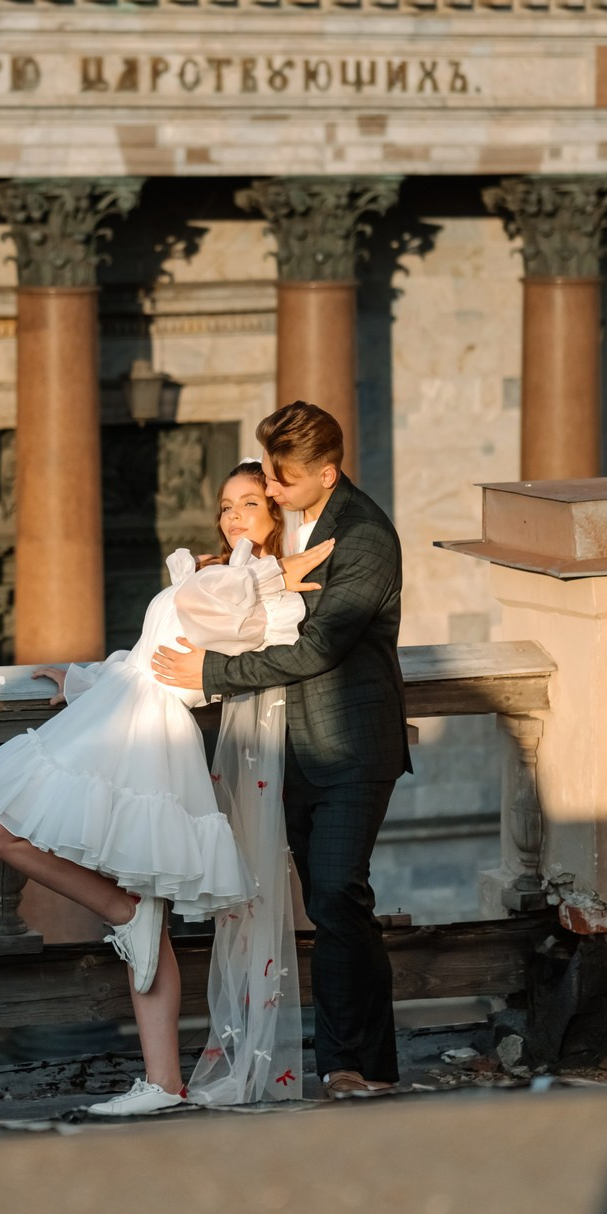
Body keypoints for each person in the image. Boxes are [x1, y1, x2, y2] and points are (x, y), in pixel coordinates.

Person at [0, 461, 333, 1118]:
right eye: (226, 505)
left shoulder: (269, 594)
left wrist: (273, 572)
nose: (233, 516)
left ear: (278, 511)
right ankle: (161, 1072)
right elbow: (152, 653)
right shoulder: (229, 573)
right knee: (9, 832)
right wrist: (80, 679)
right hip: (118, 712)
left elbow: (226, 642)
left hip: (148, 736)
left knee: (7, 830)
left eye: (250, 503)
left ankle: (161, 1074)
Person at [154, 401, 411, 1100]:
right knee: (327, 903)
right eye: (268, 473)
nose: (269, 488)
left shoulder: (365, 538)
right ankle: (366, 1063)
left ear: (327, 474)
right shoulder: (281, 525)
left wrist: (213, 673)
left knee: (335, 894)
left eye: (281, 479)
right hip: (282, 751)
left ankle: (348, 1064)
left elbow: (319, 648)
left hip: (351, 745)